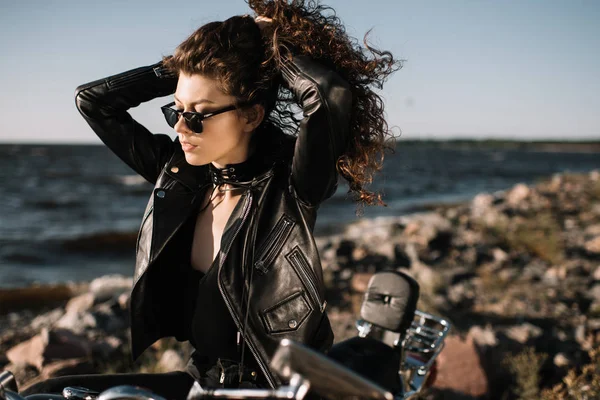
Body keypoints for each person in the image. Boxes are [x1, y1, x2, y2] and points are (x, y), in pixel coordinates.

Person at [22, 0, 399, 397]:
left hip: (271, 389)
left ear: (252, 116)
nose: (182, 127)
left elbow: (329, 93)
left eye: (199, 114)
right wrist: (182, 67)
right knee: (45, 393)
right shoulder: (181, 174)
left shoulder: (292, 186)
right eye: (176, 110)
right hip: (199, 382)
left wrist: (275, 47)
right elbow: (94, 101)